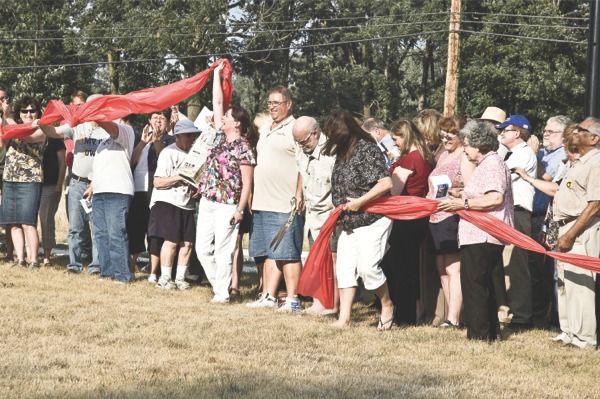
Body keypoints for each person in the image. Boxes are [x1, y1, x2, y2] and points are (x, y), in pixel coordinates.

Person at [438, 120, 514, 341]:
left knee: (474, 285)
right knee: (485, 284)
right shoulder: (489, 164)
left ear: (478, 144)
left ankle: (479, 335)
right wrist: (460, 196)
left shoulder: (491, 164)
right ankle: (491, 333)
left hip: (484, 233)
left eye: (467, 145)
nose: (464, 149)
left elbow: (495, 197)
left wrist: (463, 205)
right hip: (480, 233)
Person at [321, 109, 394, 330]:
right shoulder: (342, 154)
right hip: (349, 221)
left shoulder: (367, 149)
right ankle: (344, 319)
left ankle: (387, 304)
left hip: (372, 219)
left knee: (368, 269)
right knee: (344, 270)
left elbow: (386, 184)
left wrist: (360, 201)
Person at [196, 64, 256, 303]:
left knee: (223, 250)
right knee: (202, 249)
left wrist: (240, 210)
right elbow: (217, 103)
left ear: (237, 123)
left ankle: (221, 294)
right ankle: (220, 287)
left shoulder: (244, 147)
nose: (223, 117)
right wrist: (215, 75)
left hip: (227, 204)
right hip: (208, 199)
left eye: (229, 117)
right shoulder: (220, 135)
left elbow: (247, 183)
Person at [246, 86, 304, 311]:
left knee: (288, 252)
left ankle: (292, 299)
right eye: (269, 103)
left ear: (288, 104)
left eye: (276, 103)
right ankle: (268, 296)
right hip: (262, 201)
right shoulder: (266, 128)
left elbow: (302, 165)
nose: (271, 107)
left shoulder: (296, 128)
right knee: (270, 251)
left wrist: (299, 194)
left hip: (284, 202)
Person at [39, 94, 108, 275]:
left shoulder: (109, 130)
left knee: (96, 228)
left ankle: (95, 266)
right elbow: (54, 132)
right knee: (75, 228)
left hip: (98, 185)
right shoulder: (78, 125)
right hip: (77, 183)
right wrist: (42, 122)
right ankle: (74, 264)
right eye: (91, 105)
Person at [552, 117, 600, 349]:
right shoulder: (579, 162)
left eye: (582, 130)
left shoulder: (596, 162)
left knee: (580, 283)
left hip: (582, 228)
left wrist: (570, 234)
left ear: (594, 139)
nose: (576, 132)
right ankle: (569, 331)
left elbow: (595, 204)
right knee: (565, 281)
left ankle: (585, 339)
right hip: (566, 225)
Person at [380, 119, 431, 325]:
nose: (394, 144)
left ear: (405, 136)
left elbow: (394, 191)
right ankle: (412, 312)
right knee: (409, 267)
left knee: (401, 268)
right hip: (418, 217)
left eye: (395, 139)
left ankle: (404, 315)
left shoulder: (409, 160)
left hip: (405, 218)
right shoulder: (424, 157)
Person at [426, 115, 471, 328]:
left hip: (453, 215)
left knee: (454, 268)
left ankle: (454, 318)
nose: (445, 138)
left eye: (450, 134)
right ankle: (451, 315)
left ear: (462, 135)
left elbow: (472, 189)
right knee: (441, 267)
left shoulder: (465, 156)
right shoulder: (443, 155)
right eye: (443, 134)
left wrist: (456, 193)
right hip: (435, 216)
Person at [292, 116, 338, 315]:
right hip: (312, 215)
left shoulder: (333, 151)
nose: (301, 146)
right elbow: (303, 171)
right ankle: (319, 302)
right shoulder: (302, 148)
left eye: (304, 141)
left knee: (333, 263)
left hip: (330, 215)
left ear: (315, 133)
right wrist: (299, 193)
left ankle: (334, 305)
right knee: (317, 261)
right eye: (298, 142)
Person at [147, 119, 200, 290]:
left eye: (194, 135)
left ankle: (180, 278)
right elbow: (158, 182)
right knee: (171, 241)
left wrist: (196, 189)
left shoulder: (195, 155)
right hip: (167, 202)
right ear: (177, 135)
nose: (192, 138)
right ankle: (165, 278)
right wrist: (180, 177)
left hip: (187, 203)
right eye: (188, 135)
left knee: (187, 243)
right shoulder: (168, 153)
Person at [530, 115, 571, 326]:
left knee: (551, 272)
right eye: (545, 130)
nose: (545, 133)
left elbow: (544, 179)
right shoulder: (546, 153)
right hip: (536, 216)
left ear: (565, 137)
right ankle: (540, 316)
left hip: (550, 219)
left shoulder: (562, 156)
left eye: (551, 131)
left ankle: (553, 318)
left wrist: (533, 156)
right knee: (537, 270)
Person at [497, 115, 537, 330]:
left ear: (518, 133)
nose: (501, 132)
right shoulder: (511, 153)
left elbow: (502, 180)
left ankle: (522, 315)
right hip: (507, 212)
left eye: (506, 129)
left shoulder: (524, 154)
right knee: (504, 264)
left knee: (516, 265)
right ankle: (509, 311)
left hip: (518, 213)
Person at [83, 118, 136, 283]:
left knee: (115, 233)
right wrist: (92, 187)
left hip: (117, 191)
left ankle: (122, 275)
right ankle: (107, 273)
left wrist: (96, 115)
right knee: (100, 234)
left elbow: (113, 129)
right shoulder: (103, 141)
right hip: (100, 191)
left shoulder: (126, 131)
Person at [0, 96, 47, 268]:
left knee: (28, 222)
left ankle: (33, 260)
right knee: (13, 222)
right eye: (24, 111)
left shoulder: (42, 128)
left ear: (37, 112)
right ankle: (20, 259)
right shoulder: (13, 127)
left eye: (32, 110)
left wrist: (8, 116)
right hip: (10, 178)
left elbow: (27, 137)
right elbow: (2, 142)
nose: (28, 114)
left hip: (30, 180)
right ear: (20, 113)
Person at [128, 109, 174, 281]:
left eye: (162, 118)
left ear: (168, 122)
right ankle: (131, 269)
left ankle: (153, 272)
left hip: (156, 193)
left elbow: (165, 159)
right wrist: (142, 143)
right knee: (135, 230)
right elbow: (131, 161)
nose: (158, 121)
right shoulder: (140, 138)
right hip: (137, 190)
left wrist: (156, 141)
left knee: (154, 233)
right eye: (155, 117)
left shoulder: (171, 141)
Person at [39, 137, 66, 266]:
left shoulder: (55, 139)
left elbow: (62, 162)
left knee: (46, 220)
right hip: (30, 184)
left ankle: (46, 257)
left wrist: (59, 184)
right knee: (27, 221)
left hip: (50, 185)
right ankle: (29, 254)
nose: (29, 115)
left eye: (34, 114)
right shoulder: (26, 137)